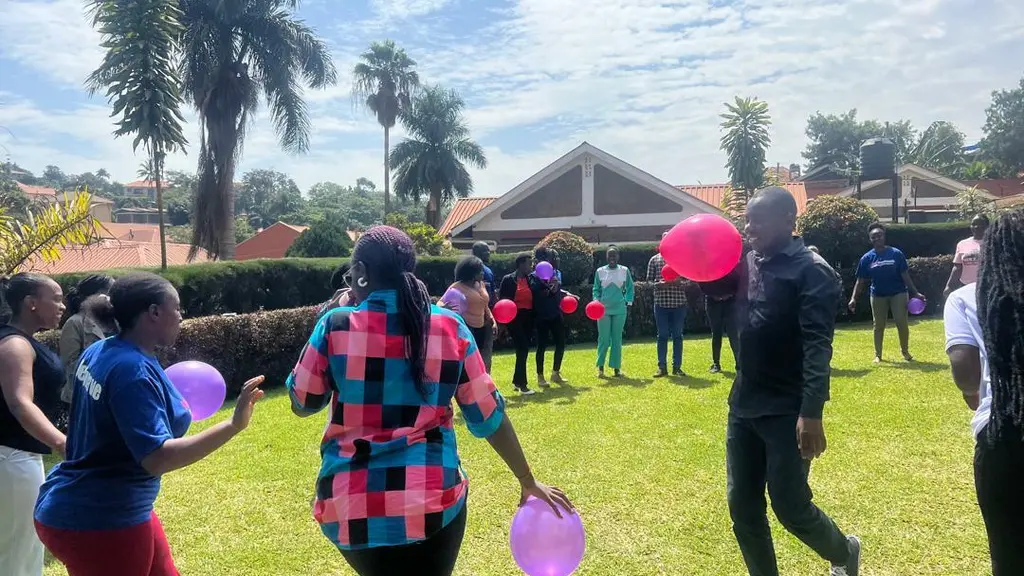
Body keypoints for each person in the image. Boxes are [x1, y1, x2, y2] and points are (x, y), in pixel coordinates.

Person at [286, 226, 572, 576]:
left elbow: (303, 402)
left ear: (359, 273)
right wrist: (527, 480)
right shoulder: (449, 327)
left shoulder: (335, 325)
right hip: (433, 502)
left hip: (351, 508)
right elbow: (487, 416)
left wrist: (327, 317)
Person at [34, 273, 265, 576]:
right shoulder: (132, 371)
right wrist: (233, 425)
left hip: (88, 502)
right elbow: (157, 457)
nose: (182, 316)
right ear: (154, 312)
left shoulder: (103, 351)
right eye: (177, 307)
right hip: (100, 519)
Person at [728, 186, 860, 576]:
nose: (749, 227)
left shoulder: (812, 271)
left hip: (787, 407)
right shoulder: (748, 261)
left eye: (759, 220)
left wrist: (812, 411)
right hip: (744, 403)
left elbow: (818, 345)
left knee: (789, 504)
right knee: (742, 505)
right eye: (747, 219)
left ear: (789, 220)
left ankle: (843, 551)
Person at [944, 210, 1024, 575]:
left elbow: (964, 373)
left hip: (1004, 435)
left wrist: (986, 403)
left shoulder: (965, 298)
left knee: (1008, 555)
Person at [0, 273, 66, 576]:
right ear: (31, 303)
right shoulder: (16, 344)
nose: (62, 306)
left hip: (15, 457)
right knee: (18, 550)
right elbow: (20, 402)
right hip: (12, 459)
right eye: (56, 298)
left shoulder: (17, 340)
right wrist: (62, 442)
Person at [848, 222, 925, 363]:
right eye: (873, 237)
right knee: (878, 325)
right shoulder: (866, 258)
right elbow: (860, 280)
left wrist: (916, 293)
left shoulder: (896, 254)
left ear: (884, 236)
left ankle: (905, 352)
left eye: (879, 235)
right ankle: (878, 355)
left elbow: (905, 275)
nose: (877, 238)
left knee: (901, 322)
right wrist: (853, 298)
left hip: (899, 293)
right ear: (870, 239)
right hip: (878, 295)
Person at [59, 275, 117, 404]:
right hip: (84, 397)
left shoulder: (118, 321)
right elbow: (70, 365)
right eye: (110, 292)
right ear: (95, 295)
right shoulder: (75, 323)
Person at [646, 235, 687, 377]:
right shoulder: (654, 260)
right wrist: (659, 285)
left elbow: (689, 282)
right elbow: (648, 283)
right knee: (662, 335)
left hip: (679, 304)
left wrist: (679, 283)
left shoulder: (681, 260)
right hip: (661, 304)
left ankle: (677, 367)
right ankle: (662, 367)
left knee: (677, 335)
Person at [448, 255, 496, 371]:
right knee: (469, 363)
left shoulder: (481, 284)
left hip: (483, 327)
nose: (483, 273)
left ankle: (484, 385)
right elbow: (444, 308)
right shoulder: (456, 288)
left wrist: (492, 319)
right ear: (471, 272)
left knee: (484, 361)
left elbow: (484, 304)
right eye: (480, 270)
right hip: (467, 328)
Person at [593, 246, 634, 378]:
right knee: (604, 339)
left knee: (617, 339)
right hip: (602, 310)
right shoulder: (600, 271)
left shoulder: (624, 270)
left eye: (614, 255)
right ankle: (600, 367)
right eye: (609, 255)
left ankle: (616, 368)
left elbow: (630, 287)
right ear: (606, 257)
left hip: (619, 309)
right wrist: (596, 301)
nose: (612, 258)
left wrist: (628, 301)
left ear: (618, 257)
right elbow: (596, 289)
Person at [499, 254, 537, 395]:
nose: (531, 266)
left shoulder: (531, 279)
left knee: (522, 350)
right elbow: (502, 300)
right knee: (523, 348)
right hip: (514, 318)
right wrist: (502, 324)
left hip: (528, 318)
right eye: (528, 263)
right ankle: (523, 385)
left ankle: (517, 380)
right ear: (521, 264)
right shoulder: (508, 280)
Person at [532, 248, 569, 387]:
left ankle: (555, 373)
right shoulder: (534, 276)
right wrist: (547, 285)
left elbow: (557, 290)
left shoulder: (557, 273)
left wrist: (564, 292)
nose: (557, 260)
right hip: (541, 315)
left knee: (561, 342)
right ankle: (540, 376)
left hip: (555, 312)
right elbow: (538, 294)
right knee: (542, 345)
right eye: (555, 257)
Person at [698, 264, 740, 373]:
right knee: (716, 333)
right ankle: (716, 363)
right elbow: (702, 283)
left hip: (730, 301)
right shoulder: (708, 266)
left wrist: (729, 293)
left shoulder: (731, 265)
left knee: (733, 333)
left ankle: (739, 364)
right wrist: (713, 295)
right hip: (713, 302)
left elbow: (739, 281)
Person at [944, 214, 990, 299]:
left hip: (987, 287)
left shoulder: (992, 243)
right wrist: (949, 286)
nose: (976, 226)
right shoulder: (962, 244)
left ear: (987, 226)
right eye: (973, 224)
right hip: (966, 287)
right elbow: (957, 267)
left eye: (980, 224)